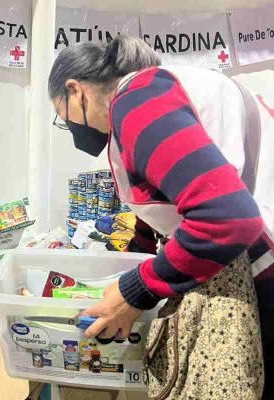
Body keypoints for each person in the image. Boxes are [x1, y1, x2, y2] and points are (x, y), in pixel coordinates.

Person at [49, 36, 274, 399]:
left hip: (261, 269)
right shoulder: (153, 91)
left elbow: (228, 217)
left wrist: (136, 291)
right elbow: (167, 193)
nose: (72, 128)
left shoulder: (139, 101)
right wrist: (135, 254)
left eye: (64, 118)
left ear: (76, 91)